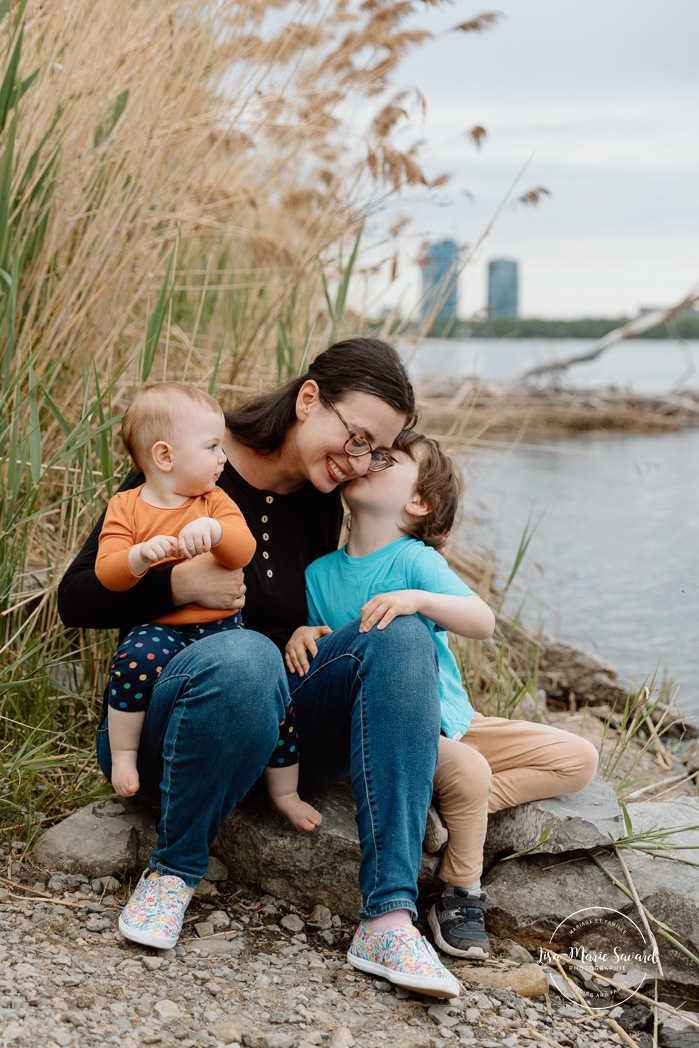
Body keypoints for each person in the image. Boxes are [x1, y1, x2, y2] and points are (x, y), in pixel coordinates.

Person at [57, 338, 461, 1000]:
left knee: (399, 629)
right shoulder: (192, 459)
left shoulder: (318, 500)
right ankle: (172, 872)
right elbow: (76, 599)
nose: (357, 462)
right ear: (308, 400)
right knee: (244, 654)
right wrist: (178, 585)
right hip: (170, 729)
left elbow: (275, 618)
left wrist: (305, 632)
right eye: (353, 436)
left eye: (373, 451)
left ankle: (388, 918)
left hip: (278, 742)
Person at [284, 429, 599, 960]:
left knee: (580, 758)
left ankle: (458, 810)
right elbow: (325, 657)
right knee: (470, 770)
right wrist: (300, 634)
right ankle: (459, 890)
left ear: (418, 501)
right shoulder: (320, 574)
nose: (371, 460)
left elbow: (481, 620)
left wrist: (418, 599)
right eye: (373, 454)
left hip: (455, 717)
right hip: (395, 732)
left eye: (389, 458)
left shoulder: (415, 561)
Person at [96, 383, 256, 799]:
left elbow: (244, 549)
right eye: (212, 447)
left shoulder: (213, 501)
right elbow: (107, 574)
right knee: (132, 659)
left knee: (255, 671)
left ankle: (280, 784)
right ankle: (125, 753)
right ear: (165, 456)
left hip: (219, 629)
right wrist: (138, 557)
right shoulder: (126, 507)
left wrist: (216, 531)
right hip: (159, 629)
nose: (223, 457)